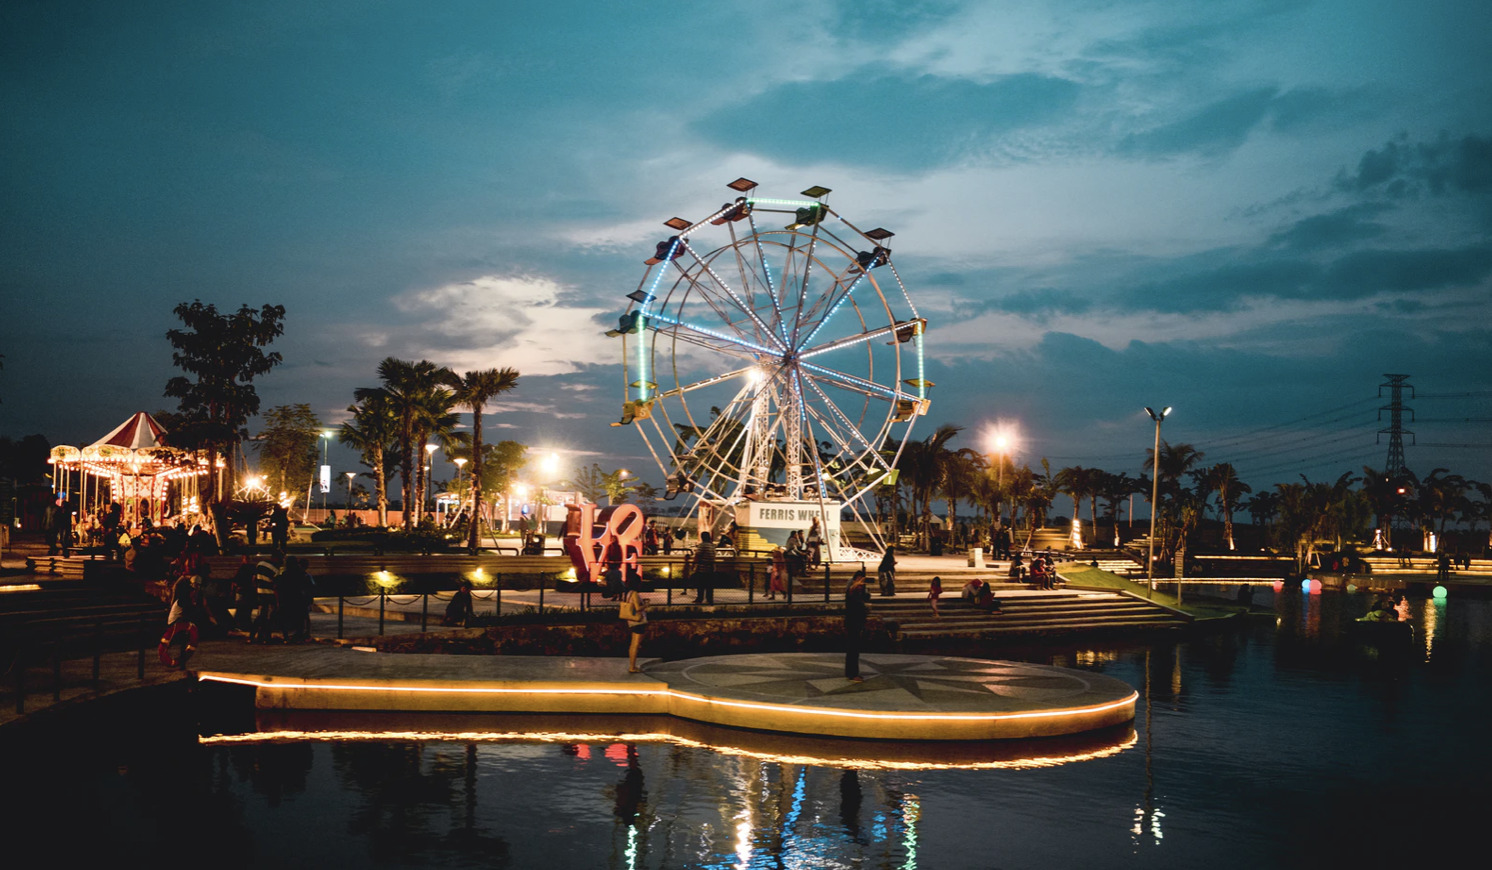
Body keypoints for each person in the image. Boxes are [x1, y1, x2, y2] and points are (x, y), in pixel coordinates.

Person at [249, 551, 283, 644]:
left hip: (260, 593)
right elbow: (276, 587)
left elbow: (254, 579)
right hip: (270, 595)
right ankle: (266, 637)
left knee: (260, 616)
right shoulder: (275, 570)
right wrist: (277, 601)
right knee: (269, 617)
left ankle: (252, 636)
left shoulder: (260, 564)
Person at [843, 569, 872, 681]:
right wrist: (856, 585)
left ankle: (851, 672)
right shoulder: (851, 591)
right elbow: (851, 595)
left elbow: (866, 597)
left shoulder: (860, 592)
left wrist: (864, 589)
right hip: (852, 622)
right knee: (852, 649)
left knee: (854, 649)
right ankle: (852, 673)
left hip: (858, 622)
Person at [621, 578, 649, 673]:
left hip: (631, 621)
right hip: (638, 621)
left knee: (634, 644)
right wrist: (646, 605)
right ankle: (632, 667)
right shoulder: (634, 593)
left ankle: (632, 665)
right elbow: (637, 608)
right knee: (635, 644)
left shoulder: (628, 593)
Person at [692, 531, 717, 604]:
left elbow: (697, 555)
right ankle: (709, 599)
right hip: (711, 568)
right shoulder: (712, 546)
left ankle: (700, 599)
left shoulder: (702, 545)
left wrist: (693, 565)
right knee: (709, 585)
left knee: (700, 584)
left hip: (702, 567)